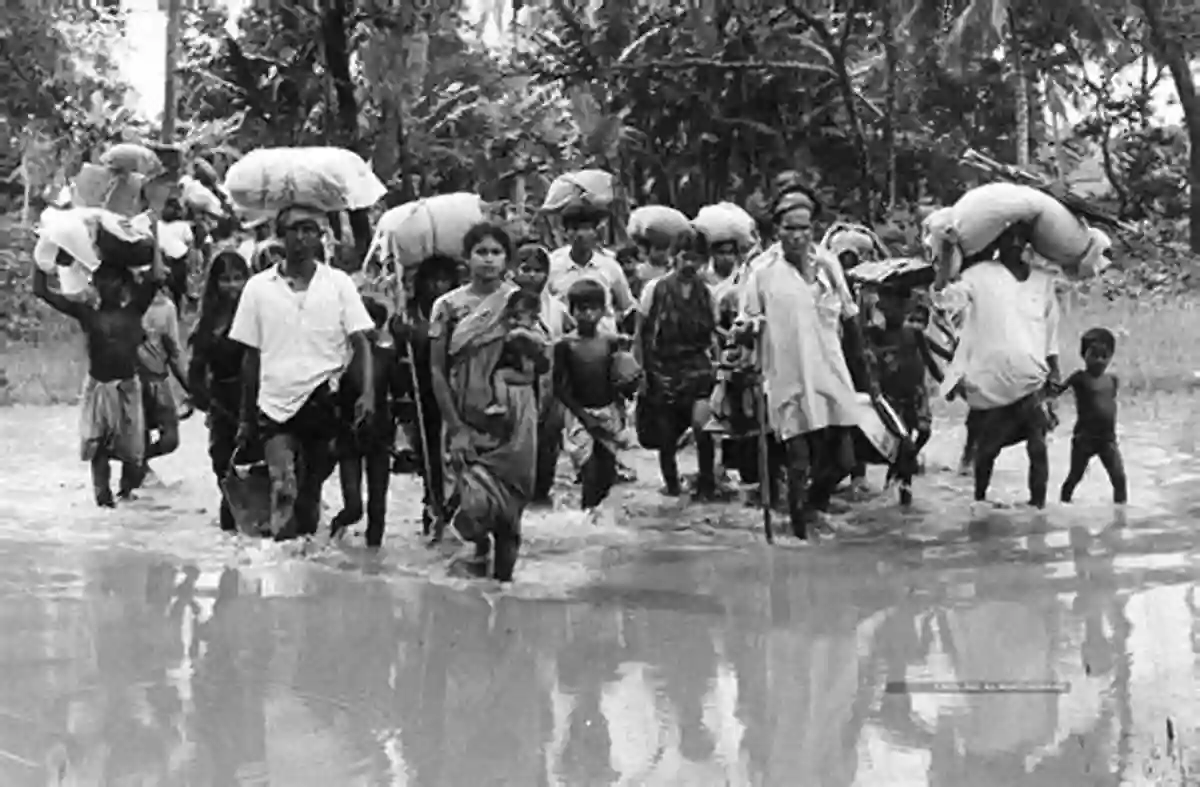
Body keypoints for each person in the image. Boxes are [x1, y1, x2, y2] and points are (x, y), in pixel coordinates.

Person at [230, 204, 375, 541]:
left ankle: (305, 567)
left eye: (309, 229)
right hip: (274, 403)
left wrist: (367, 394)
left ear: (320, 236)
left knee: (309, 493)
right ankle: (280, 564)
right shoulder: (258, 288)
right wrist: (245, 417)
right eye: (294, 229)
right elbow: (250, 356)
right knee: (284, 486)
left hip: (324, 401)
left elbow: (361, 343)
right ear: (280, 237)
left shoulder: (338, 284)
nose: (301, 237)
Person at [737, 188, 864, 537]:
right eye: (790, 228)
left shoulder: (828, 263)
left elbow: (849, 317)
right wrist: (746, 331)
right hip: (786, 375)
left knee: (844, 459)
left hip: (830, 371)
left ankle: (812, 507)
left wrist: (867, 375)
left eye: (805, 228)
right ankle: (798, 535)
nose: (798, 236)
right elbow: (746, 320)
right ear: (776, 229)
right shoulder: (761, 270)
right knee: (798, 459)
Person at [429, 222, 546, 581]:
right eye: (481, 252)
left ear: (506, 259)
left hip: (514, 420)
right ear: (467, 259)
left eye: (496, 252)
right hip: (466, 417)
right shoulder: (448, 306)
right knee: (473, 510)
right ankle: (478, 557)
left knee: (510, 517)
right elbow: (437, 369)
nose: (489, 260)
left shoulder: (520, 302)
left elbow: (542, 361)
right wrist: (455, 427)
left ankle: (503, 592)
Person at [938, 224, 1061, 510]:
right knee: (988, 448)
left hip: (1033, 381)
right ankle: (979, 501)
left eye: (1021, 237)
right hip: (993, 382)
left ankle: (1038, 508)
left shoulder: (1043, 282)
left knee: (1038, 446)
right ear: (997, 241)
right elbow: (945, 297)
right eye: (1008, 237)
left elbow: (1050, 331)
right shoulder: (978, 275)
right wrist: (946, 254)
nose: (1015, 243)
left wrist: (1055, 371)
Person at [33, 251, 165, 507]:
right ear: (94, 284)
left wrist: (155, 232)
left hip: (128, 386)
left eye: (116, 280)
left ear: (126, 286)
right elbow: (42, 291)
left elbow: (157, 276)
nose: (109, 286)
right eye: (104, 280)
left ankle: (125, 495)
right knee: (98, 449)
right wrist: (44, 254)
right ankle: (103, 500)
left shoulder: (135, 310)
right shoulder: (87, 314)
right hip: (99, 387)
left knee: (134, 456)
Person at [637, 229, 724, 500]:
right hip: (663, 369)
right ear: (674, 257)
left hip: (698, 370)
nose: (690, 265)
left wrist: (721, 371)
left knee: (703, 427)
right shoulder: (655, 289)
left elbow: (714, 336)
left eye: (696, 259)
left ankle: (707, 485)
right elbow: (641, 334)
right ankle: (672, 489)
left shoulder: (707, 294)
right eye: (685, 257)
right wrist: (641, 374)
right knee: (666, 439)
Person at [556, 279, 640, 512]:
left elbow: (618, 381)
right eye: (581, 309)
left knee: (606, 472)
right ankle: (585, 517)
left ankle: (596, 519)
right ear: (571, 311)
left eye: (594, 308)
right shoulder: (565, 345)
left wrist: (629, 385)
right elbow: (559, 387)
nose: (588, 314)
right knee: (589, 470)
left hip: (609, 412)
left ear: (604, 310)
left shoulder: (610, 342)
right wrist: (584, 417)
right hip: (579, 416)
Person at [391, 254, 460, 535]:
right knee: (429, 458)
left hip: (453, 394)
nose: (438, 286)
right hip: (419, 396)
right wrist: (400, 336)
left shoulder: (458, 309)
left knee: (452, 458)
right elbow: (393, 356)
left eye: (444, 280)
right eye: (432, 280)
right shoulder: (407, 313)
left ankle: (453, 510)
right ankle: (433, 509)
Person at [331, 296, 407, 547]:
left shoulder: (389, 355)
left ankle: (373, 557)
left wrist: (404, 352)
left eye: (372, 323)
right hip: (348, 434)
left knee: (378, 506)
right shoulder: (338, 358)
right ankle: (335, 534)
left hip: (380, 434)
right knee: (353, 506)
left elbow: (400, 390)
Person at [187, 249, 251, 531]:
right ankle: (231, 549)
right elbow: (195, 370)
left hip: (255, 401)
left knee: (252, 473)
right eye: (225, 279)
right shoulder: (207, 322)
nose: (232, 286)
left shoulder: (257, 314)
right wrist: (205, 401)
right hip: (222, 403)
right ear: (215, 283)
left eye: (238, 278)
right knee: (223, 471)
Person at [864, 283, 939, 499]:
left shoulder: (914, 334)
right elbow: (866, 354)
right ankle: (902, 486)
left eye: (899, 305)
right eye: (888, 306)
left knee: (924, 432)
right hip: (891, 398)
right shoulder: (874, 335)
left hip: (915, 394)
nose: (894, 311)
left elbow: (931, 363)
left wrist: (951, 384)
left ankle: (903, 470)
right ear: (881, 307)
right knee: (901, 443)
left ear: (906, 307)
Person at [512, 243, 573, 505]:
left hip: (550, 391)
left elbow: (570, 339)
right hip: (515, 390)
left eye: (539, 270)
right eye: (525, 269)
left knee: (547, 452)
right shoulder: (503, 305)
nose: (532, 276)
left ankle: (541, 503)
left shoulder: (557, 308)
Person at [1051, 327, 1126, 504]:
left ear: (1111, 356)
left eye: (1104, 356)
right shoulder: (1079, 378)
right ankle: (1064, 504)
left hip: (1108, 439)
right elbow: (1057, 392)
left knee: (1119, 479)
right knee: (1074, 477)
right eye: (1094, 355)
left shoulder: (1112, 380)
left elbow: (1110, 403)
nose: (1099, 361)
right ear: (1083, 355)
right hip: (1084, 438)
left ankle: (1120, 516)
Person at [547, 204, 635, 337]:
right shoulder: (553, 265)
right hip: (566, 342)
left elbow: (627, 305)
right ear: (565, 233)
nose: (581, 235)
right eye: (575, 229)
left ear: (595, 232)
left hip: (604, 341)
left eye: (586, 228)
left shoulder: (609, 266)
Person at [136, 277, 189, 486]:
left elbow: (173, 349)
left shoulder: (166, 307)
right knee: (141, 433)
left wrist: (189, 385)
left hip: (159, 379)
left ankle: (136, 459)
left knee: (170, 439)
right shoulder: (126, 303)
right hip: (134, 381)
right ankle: (137, 467)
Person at [483, 289, 548, 417]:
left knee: (499, 376)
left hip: (527, 378)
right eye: (513, 316)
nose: (514, 321)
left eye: (519, 317)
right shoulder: (508, 329)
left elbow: (543, 342)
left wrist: (522, 333)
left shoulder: (533, 332)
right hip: (518, 376)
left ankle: (502, 404)